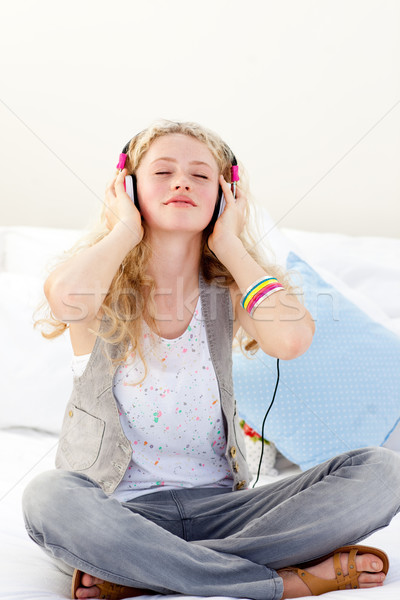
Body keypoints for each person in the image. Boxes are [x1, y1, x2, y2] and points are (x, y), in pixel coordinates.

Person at [22, 120, 400, 600]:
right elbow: (66, 298)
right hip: (119, 511)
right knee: (48, 497)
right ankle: (277, 582)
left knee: (383, 470)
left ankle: (142, 572)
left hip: (227, 510)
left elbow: (293, 340)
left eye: (201, 176)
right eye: (162, 171)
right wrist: (123, 227)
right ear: (127, 187)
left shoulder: (228, 293)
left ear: (226, 197)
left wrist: (230, 245)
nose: (182, 181)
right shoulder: (101, 287)